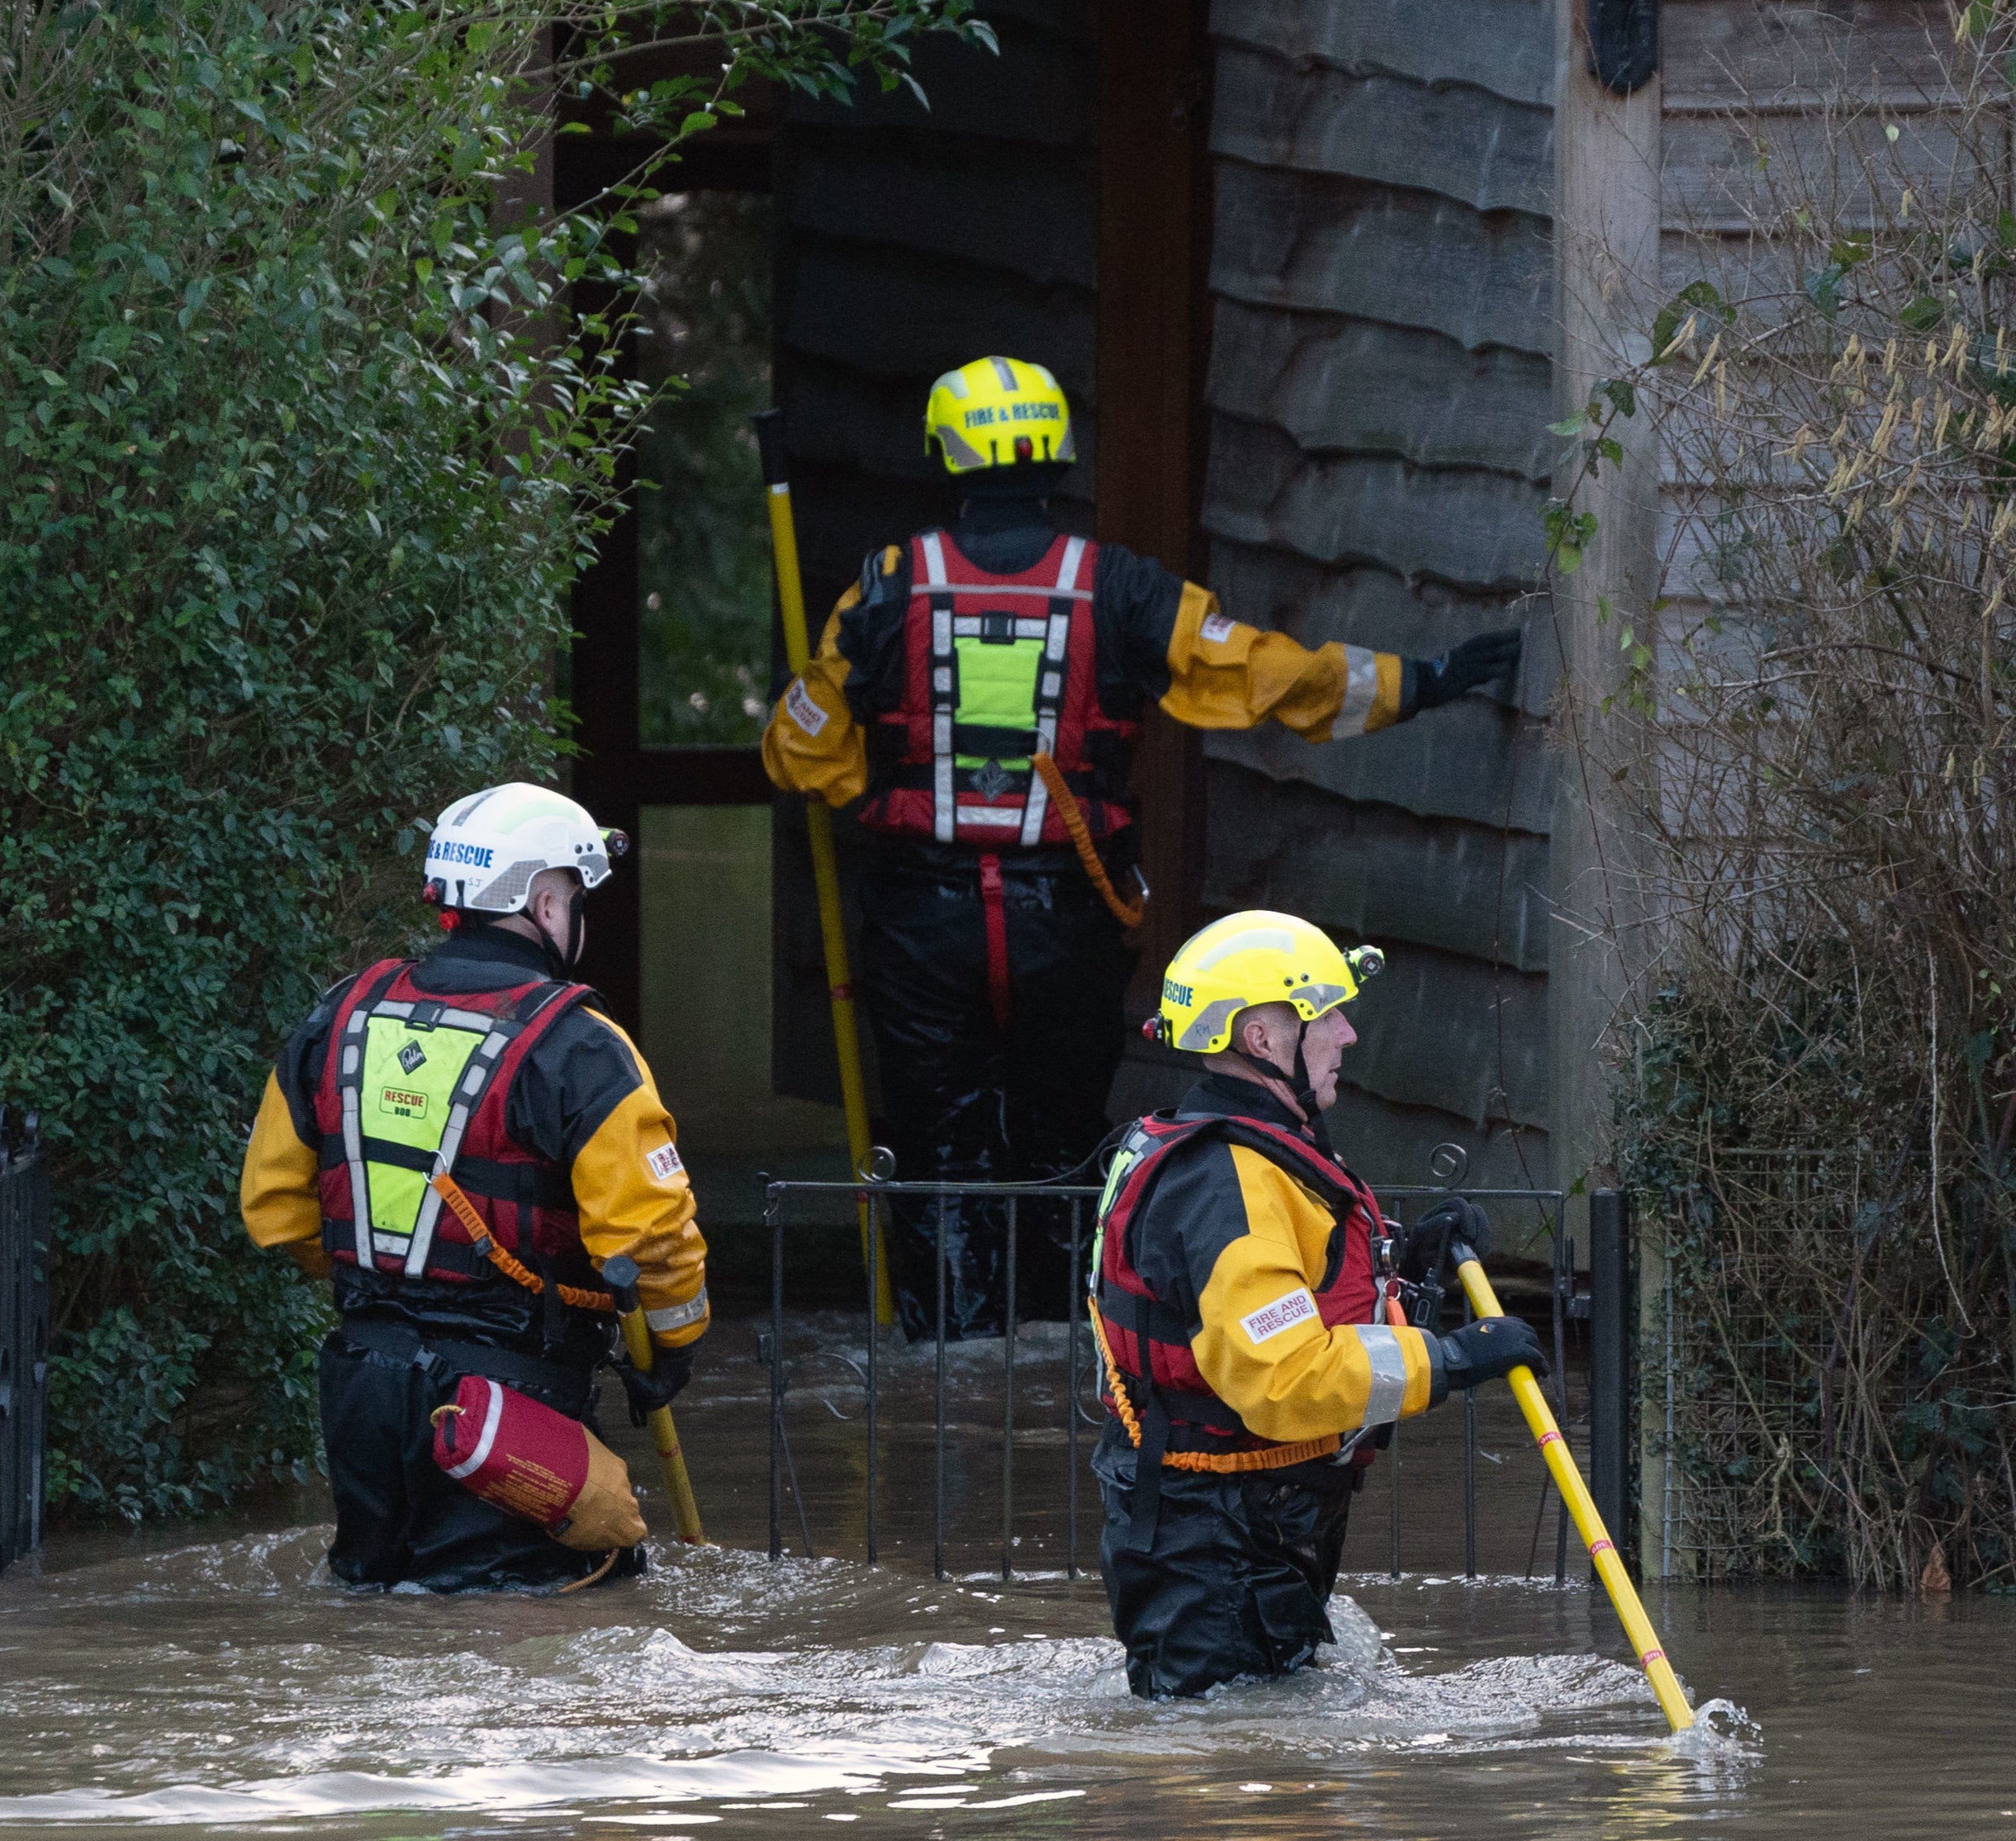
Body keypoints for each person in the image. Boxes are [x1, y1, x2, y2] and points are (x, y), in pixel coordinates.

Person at [761, 353, 1522, 1339]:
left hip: (924, 919)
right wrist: (1427, 677)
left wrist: (872, 761)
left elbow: (798, 753)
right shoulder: (1116, 587)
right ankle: (1060, 1348)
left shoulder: (886, 590)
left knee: (938, 1152)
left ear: (945, 455)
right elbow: (1265, 675)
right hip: (1065, 921)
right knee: (1065, 1143)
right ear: (1058, 455)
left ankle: (944, 1367)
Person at [239, 781, 710, 1591]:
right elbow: (651, 1239)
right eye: (576, 895)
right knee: (539, 1616)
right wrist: (672, 1348)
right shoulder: (581, 1048)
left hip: (360, 1389)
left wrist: (392, 1295)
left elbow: (276, 1210)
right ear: (544, 901)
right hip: (506, 1405)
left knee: (373, 1603)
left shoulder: (339, 1016)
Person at [1085, 909, 1548, 1698]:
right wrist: (1453, 1359)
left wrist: (1408, 1272)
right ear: (1262, 1038)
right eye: (1325, 1014)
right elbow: (1285, 1375)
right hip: (1214, 1534)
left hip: (1240, 1520)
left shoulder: (1242, 1148)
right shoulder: (1224, 1177)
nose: (1347, 1034)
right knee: (1224, 1790)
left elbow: (1301, 1302)